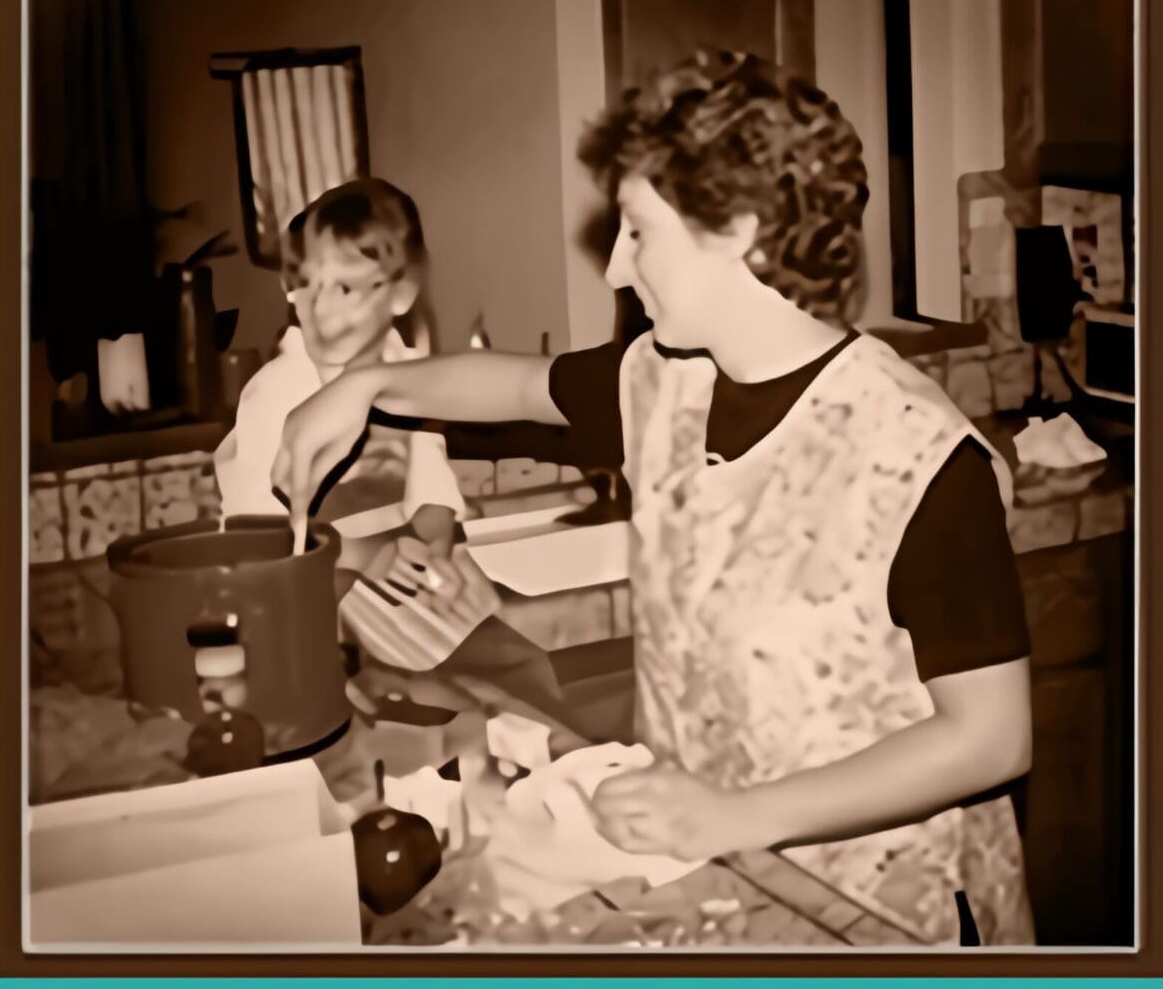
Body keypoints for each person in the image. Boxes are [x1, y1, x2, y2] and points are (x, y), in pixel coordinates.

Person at [270, 51, 1036, 945]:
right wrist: (362, 390)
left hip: (884, 914)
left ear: (738, 228)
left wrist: (733, 816)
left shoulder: (921, 457)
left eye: (638, 233)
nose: (616, 272)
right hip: (724, 887)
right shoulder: (667, 384)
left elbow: (991, 738)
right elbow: (516, 387)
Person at [215, 177, 480, 614]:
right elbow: (258, 528)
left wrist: (432, 548)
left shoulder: (407, 373)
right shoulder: (276, 390)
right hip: (301, 590)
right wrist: (361, 556)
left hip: (385, 587)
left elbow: (433, 490)